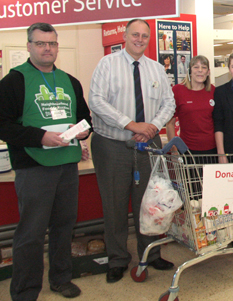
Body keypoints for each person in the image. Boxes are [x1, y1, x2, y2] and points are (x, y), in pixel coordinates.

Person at [0, 22, 91, 300]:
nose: (47, 48)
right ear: (29, 46)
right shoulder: (14, 81)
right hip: (34, 166)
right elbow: (4, 125)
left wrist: (84, 130)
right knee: (31, 232)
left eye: (51, 43)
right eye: (40, 43)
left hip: (67, 164)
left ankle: (61, 278)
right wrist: (41, 137)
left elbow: (84, 118)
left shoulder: (70, 81)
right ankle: (25, 290)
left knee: (65, 226)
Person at [88, 19, 176, 283]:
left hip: (148, 145)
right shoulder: (108, 64)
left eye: (144, 35)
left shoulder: (157, 69)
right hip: (112, 144)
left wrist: (151, 128)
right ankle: (117, 259)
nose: (139, 39)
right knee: (114, 204)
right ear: (125, 36)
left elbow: (168, 103)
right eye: (135, 34)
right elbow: (96, 101)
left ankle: (150, 253)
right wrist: (130, 124)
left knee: (150, 203)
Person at [167, 55, 216, 155]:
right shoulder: (177, 91)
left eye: (204, 67)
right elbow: (170, 123)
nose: (200, 70)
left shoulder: (213, 91)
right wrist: (174, 149)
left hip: (212, 149)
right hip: (186, 149)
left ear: (208, 72)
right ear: (190, 70)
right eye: (196, 67)